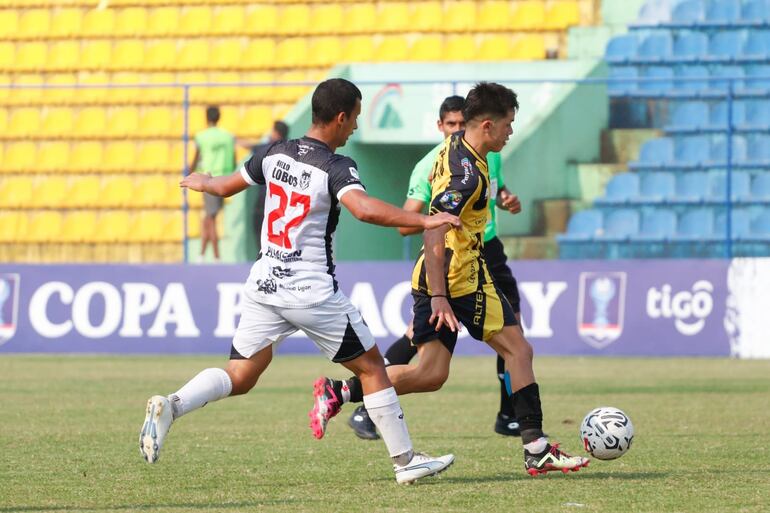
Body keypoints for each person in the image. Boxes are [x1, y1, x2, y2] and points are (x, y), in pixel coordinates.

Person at [139, 78, 459, 485]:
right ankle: (406, 461)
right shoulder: (336, 166)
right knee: (373, 368)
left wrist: (203, 181)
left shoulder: (275, 153)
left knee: (241, 374)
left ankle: (172, 404)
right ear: (341, 118)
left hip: (265, 285)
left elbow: (222, 187)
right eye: (355, 119)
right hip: (310, 291)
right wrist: (424, 219)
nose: (355, 129)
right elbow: (362, 209)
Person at [313, 82, 589, 476]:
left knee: (431, 374)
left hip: (455, 273)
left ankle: (340, 391)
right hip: (456, 278)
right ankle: (536, 447)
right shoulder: (466, 177)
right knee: (518, 351)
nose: (511, 132)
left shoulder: (461, 148)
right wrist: (440, 295)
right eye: (509, 125)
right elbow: (433, 229)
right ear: (489, 126)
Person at [347, 95, 526, 441]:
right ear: (440, 127)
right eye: (451, 125)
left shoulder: (490, 153)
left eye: (462, 124)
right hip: (450, 258)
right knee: (422, 343)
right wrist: (440, 219)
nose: (457, 130)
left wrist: (505, 198)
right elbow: (408, 221)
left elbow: (494, 188)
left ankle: (510, 414)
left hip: (488, 250)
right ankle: (366, 402)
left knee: (514, 331)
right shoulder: (430, 164)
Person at [188, 105, 236, 262]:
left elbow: (196, 158)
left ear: (207, 118)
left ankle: (215, 257)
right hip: (225, 178)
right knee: (209, 217)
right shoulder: (228, 137)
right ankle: (202, 254)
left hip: (208, 179)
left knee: (210, 218)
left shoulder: (202, 136)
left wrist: (189, 174)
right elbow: (234, 158)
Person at [246, 120, 289, 244]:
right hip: (286, 199)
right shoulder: (291, 147)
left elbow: (253, 147)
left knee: (260, 228)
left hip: (267, 196)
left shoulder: (267, 148)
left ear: (276, 133)